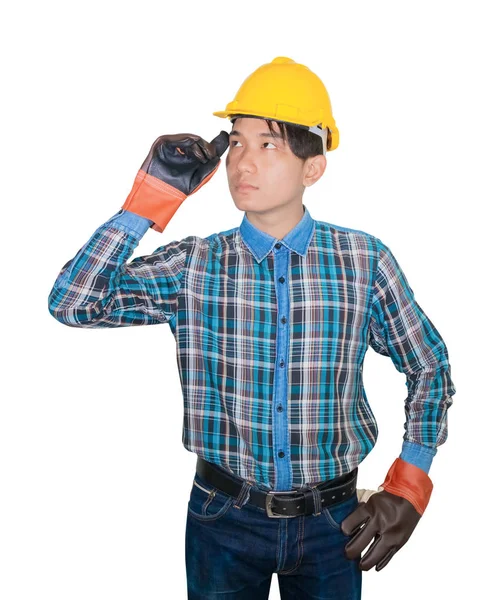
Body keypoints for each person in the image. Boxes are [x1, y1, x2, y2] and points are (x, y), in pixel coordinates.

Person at [48, 56, 456, 600]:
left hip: (335, 521)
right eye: (236, 142)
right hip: (223, 520)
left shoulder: (364, 261)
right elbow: (73, 303)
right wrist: (149, 200)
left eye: (269, 144)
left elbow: (429, 366)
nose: (243, 161)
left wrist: (410, 482)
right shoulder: (193, 266)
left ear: (313, 167)